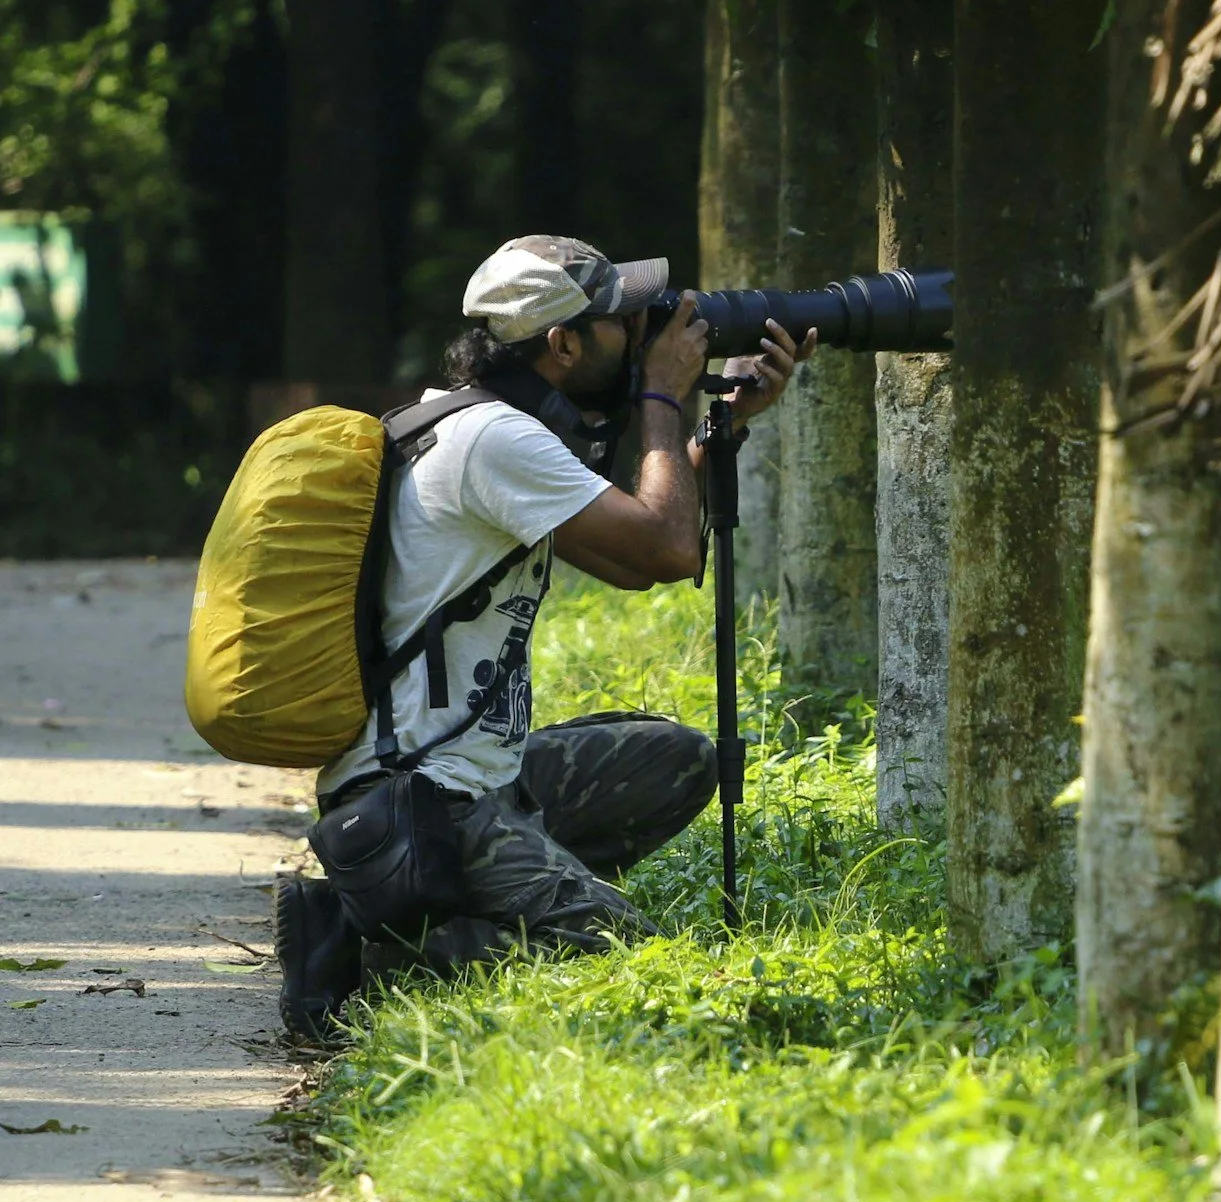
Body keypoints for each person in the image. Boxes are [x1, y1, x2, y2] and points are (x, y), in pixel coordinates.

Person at [274, 234, 816, 1035]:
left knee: (677, 761)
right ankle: (373, 946)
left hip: (463, 778)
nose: (641, 336)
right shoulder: (495, 439)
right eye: (620, 324)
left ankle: (457, 896)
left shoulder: (474, 429)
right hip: (428, 799)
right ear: (562, 343)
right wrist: (662, 400)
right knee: (629, 961)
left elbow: (631, 557)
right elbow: (666, 549)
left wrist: (714, 432)